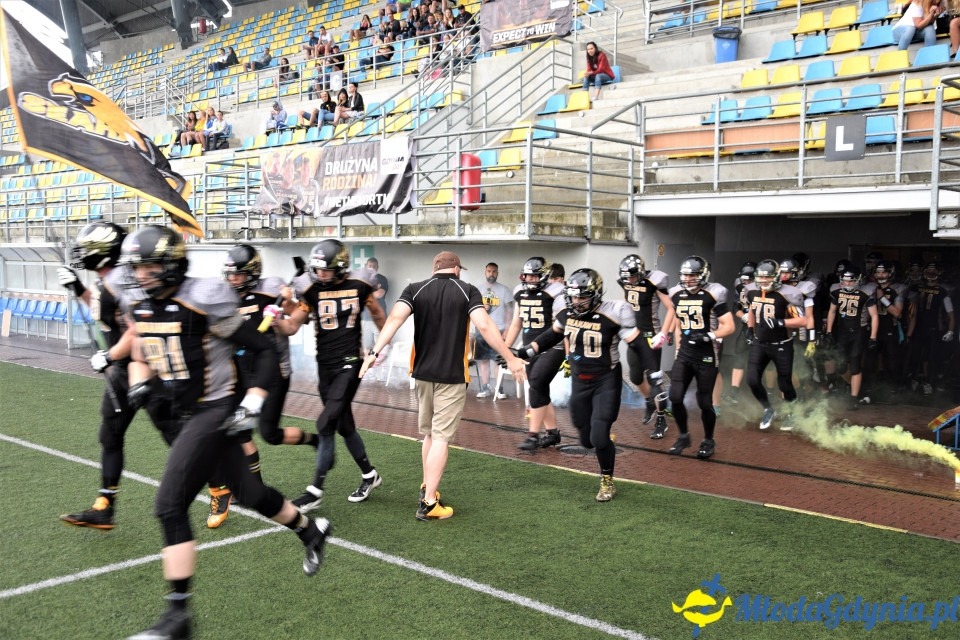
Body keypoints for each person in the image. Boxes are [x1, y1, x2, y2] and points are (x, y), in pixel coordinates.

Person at [118, 226, 330, 640]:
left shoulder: (203, 298)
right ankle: (311, 530)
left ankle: (178, 616)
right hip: (184, 411)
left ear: (171, 265)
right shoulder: (140, 305)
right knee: (250, 494)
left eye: (148, 266)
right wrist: (139, 380)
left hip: (215, 408)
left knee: (169, 505)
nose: (140, 275)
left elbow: (263, 348)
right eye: (137, 266)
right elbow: (141, 354)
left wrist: (253, 397)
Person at [359, 251, 526, 520]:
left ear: (434, 268)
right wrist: (510, 357)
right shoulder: (468, 290)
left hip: (422, 373)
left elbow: (394, 319)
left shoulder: (415, 289)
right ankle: (428, 503)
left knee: (429, 434)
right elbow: (484, 324)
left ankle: (428, 486)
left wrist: (373, 353)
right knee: (441, 437)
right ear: (457, 269)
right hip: (451, 375)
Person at [55, 223, 179, 530]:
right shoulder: (109, 281)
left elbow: (136, 330)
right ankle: (104, 506)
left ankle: (220, 486)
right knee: (109, 435)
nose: (82, 255)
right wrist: (78, 289)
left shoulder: (122, 282)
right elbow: (103, 312)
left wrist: (109, 355)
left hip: (145, 371)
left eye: (88, 250)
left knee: (175, 437)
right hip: (119, 373)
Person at [518, 268, 651, 500]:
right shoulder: (568, 313)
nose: (577, 301)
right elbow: (552, 335)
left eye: (582, 296)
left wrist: (656, 372)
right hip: (580, 381)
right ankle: (602, 442)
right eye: (574, 296)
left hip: (606, 379)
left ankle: (607, 480)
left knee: (599, 437)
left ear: (596, 294)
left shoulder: (615, 311)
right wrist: (524, 351)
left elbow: (638, 343)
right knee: (586, 440)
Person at [273, 240, 387, 511]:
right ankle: (370, 475)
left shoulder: (360, 287)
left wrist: (380, 346)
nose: (321, 274)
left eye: (326, 270)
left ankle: (315, 491)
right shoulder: (312, 290)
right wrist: (276, 315)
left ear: (341, 267)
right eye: (318, 270)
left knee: (325, 423)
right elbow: (291, 327)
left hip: (350, 364)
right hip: (324, 367)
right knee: (344, 425)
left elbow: (380, 316)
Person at [665, 256, 735, 459]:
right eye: (685, 275)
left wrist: (709, 335)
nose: (688, 279)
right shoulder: (676, 293)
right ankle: (683, 435)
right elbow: (679, 324)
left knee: (704, 402)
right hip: (685, 354)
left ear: (703, 275)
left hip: (706, 355)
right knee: (675, 396)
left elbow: (729, 326)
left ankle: (708, 439)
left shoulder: (714, 293)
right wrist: (678, 349)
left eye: (692, 275)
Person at [502, 257, 566, 450]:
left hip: (553, 346)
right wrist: (505, 349)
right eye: (527, 275)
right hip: (529, 348)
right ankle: (552, 432)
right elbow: (516, 323)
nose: (530, 279)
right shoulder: (520, 292)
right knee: (539, 387)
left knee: (537, 382)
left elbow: (564, 326)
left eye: (534, 276)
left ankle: (533, 435)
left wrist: (570, 354)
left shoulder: (555, 292)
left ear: (545, 276)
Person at [615, 254, 675, 439]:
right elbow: (626, 304)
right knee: (634, 376)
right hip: (635, 335)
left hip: (651, 336)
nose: (630, 280)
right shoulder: (625, 282)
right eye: (627, 277)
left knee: (654, 379)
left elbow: (672, 308)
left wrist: (664, 333)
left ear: (640, 273)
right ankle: (649, 401)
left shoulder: (653, 282)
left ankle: (661, 419)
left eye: (633, 276)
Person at [744, 260, 808, 431]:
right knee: (752, 380)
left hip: (782, 344)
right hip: (760, 343)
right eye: (760, 277)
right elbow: (751, 309)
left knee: (784, 383)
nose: (763, 281)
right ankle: (768, 408)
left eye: (768, 277)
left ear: (777, 277)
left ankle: (791, 413)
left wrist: (780, 322)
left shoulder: (789, 293)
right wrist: (750, 329)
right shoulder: (751, 290)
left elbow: (803, 320)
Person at [824, 265, 879, 409]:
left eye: (851, 281)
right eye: (845, 281)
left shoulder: (866, 293)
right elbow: (832, 312)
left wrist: (873, 337)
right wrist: (829, 331)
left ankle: (853, 398)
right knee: (841, 366)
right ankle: (858, 389)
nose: (847, 284)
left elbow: (874, 316)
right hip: (842, 332)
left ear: (859, 280)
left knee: (855, 366)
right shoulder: (836, 291)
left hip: (858, 333)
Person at [905, 261, 955, 395]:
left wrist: (950, 330)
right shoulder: (916, 287)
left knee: (930, 357)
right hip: (917, 327)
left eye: (934, 272)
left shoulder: (943, 291)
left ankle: (928, 381)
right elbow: (910, 311)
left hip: (934, 329)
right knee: (914, 356)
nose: (931, 275)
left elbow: (950, 314)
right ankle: (914, 379)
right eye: (928, 272)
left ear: (939, 273)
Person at [474, 262, 513, 399]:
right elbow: (473, 311)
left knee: (498, 360)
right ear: (485, 273)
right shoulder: (477, 290)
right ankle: (485, 388)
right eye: (489, 271)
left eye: (494, 271)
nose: (491, 274)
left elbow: (509, 311)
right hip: (482, 330)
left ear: (498, 273)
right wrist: (482, 307)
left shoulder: (504, 290)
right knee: (484, 360)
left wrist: (508, 329)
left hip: (499, 329)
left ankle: (499, 389)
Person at [723, 261, 756, 407]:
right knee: (739, 357)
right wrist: (743, 316)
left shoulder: (766, 289)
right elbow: (735, 306)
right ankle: (734, 392)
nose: (747, 283)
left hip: (764, 329)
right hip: (745, 328)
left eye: (750, 280)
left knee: (765, 363)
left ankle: (768, 391)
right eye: (745, 280)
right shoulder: (740, 287)